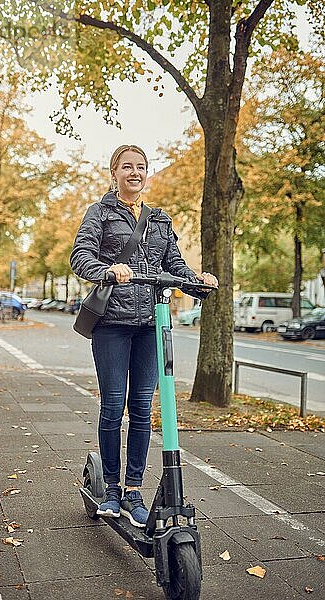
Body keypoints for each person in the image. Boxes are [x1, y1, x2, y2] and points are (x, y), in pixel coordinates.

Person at [70, 144, 218, 528]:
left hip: (152, 322)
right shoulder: (99, 213)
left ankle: (133, 490)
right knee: (113, 404)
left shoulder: (160, 220)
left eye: (141, 167)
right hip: (113, 323)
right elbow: (80, 257)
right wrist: (109, 269)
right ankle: (112, 490)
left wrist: (198, 282)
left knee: (141, 408)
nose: (134, 172)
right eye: (126, 167)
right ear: (113, 173)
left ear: (146, 173)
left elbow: (174, 265)